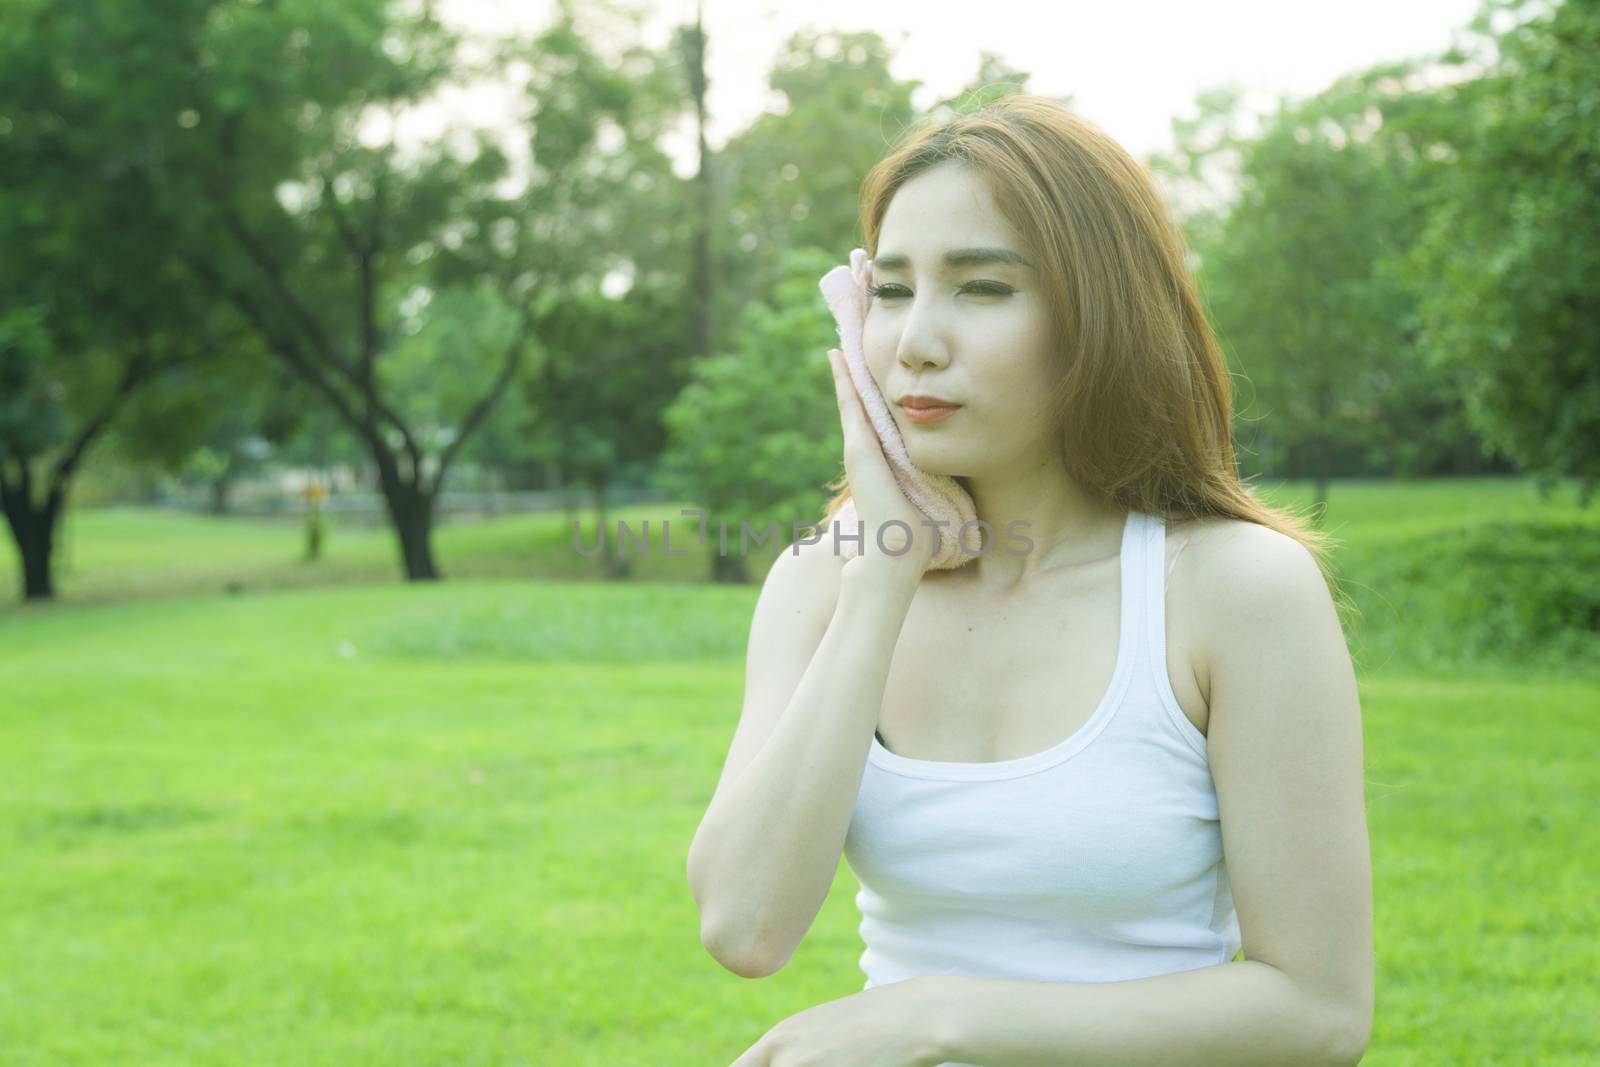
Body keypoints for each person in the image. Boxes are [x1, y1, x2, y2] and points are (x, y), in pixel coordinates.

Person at [687, 93, 1373, 1067]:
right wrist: (882, 574)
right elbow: (743, 924)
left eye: (982, 288)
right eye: (889, 289)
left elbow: (1317, 1011)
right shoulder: (817, 582)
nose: (917, 339)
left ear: (1099, 314)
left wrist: (935, 1015)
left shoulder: (1234, 590)